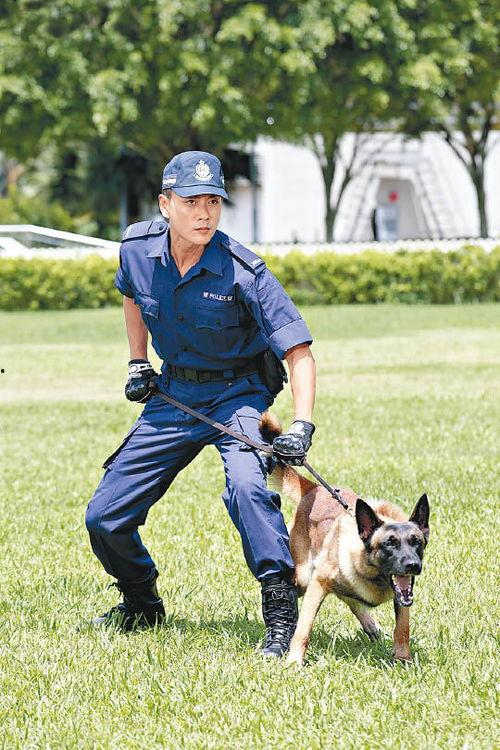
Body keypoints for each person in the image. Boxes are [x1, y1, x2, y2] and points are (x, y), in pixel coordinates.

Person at [85, 151, 316, 657]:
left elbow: (298, 349)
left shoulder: (244, 271)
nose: (204, 213)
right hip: (175, 395)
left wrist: (302, 424)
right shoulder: (136, 250)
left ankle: (280, 613)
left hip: (239, 394)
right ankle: (141, 602)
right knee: (104, 515)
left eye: (213, 202)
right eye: (191, 202)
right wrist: (138, 362)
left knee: (248, 489)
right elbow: (132, 294)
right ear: (165, 204)